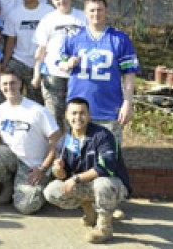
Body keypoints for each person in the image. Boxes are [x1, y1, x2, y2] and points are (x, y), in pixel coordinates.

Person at [44, 98, 131, 244]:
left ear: (89, 115)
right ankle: (89, 209)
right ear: (66, 115)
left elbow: (106, 167)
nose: (78, 117)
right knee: (51, 191)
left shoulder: (103, 136)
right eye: (74, 113)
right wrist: (58, 170)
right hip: (86, 186)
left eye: (82, 113)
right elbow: (63, 175)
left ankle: (104, 228)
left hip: (113, 186)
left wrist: (75, 179)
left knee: (102, 183)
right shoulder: (65, 141)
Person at [58, 0, 140, 144]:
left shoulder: (120, 38)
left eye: (100, 10)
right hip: (78, 110)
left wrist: (127, 103)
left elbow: (129, 74)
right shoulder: (73, 36)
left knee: (108, 160)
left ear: (106, 10)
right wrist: (68, 64)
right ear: (85, 12)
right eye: (92, 10)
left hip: (109, 109)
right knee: (76, 158)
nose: (96, 14)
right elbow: (59, 63)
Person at [0, 69, 60, 214]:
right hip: (12, 158)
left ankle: (43, 183)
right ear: (0, 86)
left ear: (20, 84)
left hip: (34, 165)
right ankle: (8, 186)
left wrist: (42, 169)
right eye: (5, 84)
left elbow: (55, 142)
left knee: (26, 207)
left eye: (13, 83)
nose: (9, 87)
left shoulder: (38, 111)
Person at [32, 0, 87, 131]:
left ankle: (75, 149)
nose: (61, 0)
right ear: (52, 0)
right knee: (54, 116)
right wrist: (36, 74)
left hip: (78, 75)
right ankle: (57, 150)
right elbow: (40, 50)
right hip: (53, 74)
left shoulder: (83, 17)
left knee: (76, 116)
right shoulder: (48, 19)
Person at [0, 0, 53, 105]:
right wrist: (4, 63)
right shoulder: (14, 14)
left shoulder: (49, 12)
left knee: (38, 102)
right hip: (19, 60)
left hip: (42, 63)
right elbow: (11, 41)